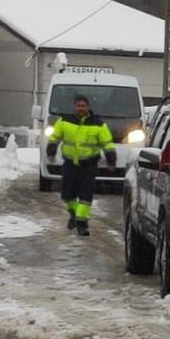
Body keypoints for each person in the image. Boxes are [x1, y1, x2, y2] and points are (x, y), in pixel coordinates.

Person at [50, 95, 113, 236]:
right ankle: (73, 214)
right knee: (68, 194)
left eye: (83, 106)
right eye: (78, 106)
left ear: (88, 107)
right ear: (74, 107)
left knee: (85, 196)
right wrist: (51, 150)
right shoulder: (64, 121)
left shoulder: (98, 124)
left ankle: (82, 223)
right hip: (70, 165)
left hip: (88, 167)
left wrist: (111, 159)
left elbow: (107, 143)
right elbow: (55, 137)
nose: (80, 108)